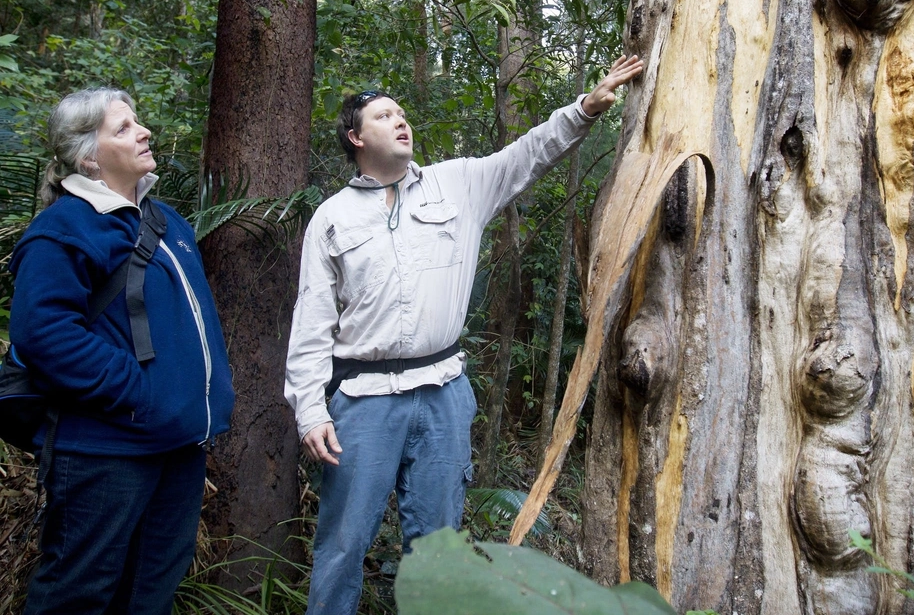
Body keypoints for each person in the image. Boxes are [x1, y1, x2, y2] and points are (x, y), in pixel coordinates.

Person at [285, 54, 644, 615]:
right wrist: (310, 409)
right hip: (362, 401)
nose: (400, 120)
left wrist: (585, 108)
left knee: (438, 548)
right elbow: (311, 322)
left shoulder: (458, 185)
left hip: (442, 396)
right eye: (383, 116)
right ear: (355, 138)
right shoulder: (331, 218)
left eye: (402, 113)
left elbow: (528, 155)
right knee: (341, 546)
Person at [8, 88, 236, 615]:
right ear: (89, 155)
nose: (144, 132)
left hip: (178, 445)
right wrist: (140, 392)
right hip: (105, 449)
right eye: (124, 128)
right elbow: (43, 334)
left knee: (150, 590)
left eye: (138, 122)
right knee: (79, 592)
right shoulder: (65, 228)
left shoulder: (169, 223)